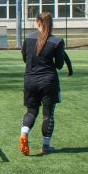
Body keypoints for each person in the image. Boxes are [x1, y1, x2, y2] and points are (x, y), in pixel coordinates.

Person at [19, 12, 72, 156]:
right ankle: (45, 146)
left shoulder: (28, 38)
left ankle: (24, 133)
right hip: (49, 82)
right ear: (52, 24)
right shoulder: (57, 41)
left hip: (30, 80)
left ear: (37, 23)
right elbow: (60, 65)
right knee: (48, 115)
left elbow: (25, 58)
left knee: (31, 111)